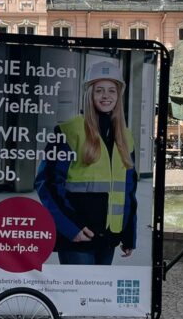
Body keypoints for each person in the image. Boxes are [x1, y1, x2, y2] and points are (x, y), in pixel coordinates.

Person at [34, 60, 138, 266]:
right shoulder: (69, 131)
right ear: (89, 94)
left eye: (112, 91)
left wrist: (129, 234)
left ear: (119, 96)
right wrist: (71, 228)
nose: (106, 96)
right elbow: (47, 184)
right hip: (78, 237)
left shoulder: (126, 137)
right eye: (99, 90)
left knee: (98, 297)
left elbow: (128, 191)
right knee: (76, 297)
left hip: (108, 238)